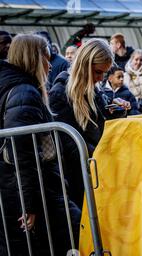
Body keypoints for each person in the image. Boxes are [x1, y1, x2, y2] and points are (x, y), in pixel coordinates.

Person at [0, 34, 80, 256]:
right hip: (31, 190)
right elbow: (21, 154)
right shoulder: (24, 92)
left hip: (25, 187)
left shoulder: (16, 86)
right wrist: (29, 204)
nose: (50, 65)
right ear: (35, 58)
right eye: (47, 59)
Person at [49, 38, 129, 208]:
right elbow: (68, 141)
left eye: (104, 74)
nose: (100, 79)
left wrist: (117, 109)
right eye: (97, 72)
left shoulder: (92, 88)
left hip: (95, 167)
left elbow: (100, 122)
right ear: (84, 66)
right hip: (79, 173)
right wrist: (100, 155)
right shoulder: (60, 93)